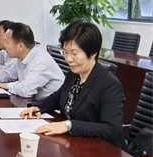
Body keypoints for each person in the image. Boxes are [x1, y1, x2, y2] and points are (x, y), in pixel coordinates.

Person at [20, 21, 126, 150]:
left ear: (93, 53)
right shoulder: (74, 74)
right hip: (75, 146)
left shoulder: (109, 85)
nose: (69, 59)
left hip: (103, 151)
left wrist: (69, 125)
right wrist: (38, 107)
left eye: (74, 53)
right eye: (65, 52)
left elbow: (112, 129)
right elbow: (57, 98)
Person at [0, 22, 64, 100]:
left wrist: (7, 86)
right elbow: (8, 74)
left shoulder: (39, 61)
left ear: (20, 46)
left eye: (7, 42)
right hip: (34, 103)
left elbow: (26, 90)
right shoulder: (23, 56)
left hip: (52, 110)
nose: (5, 45)